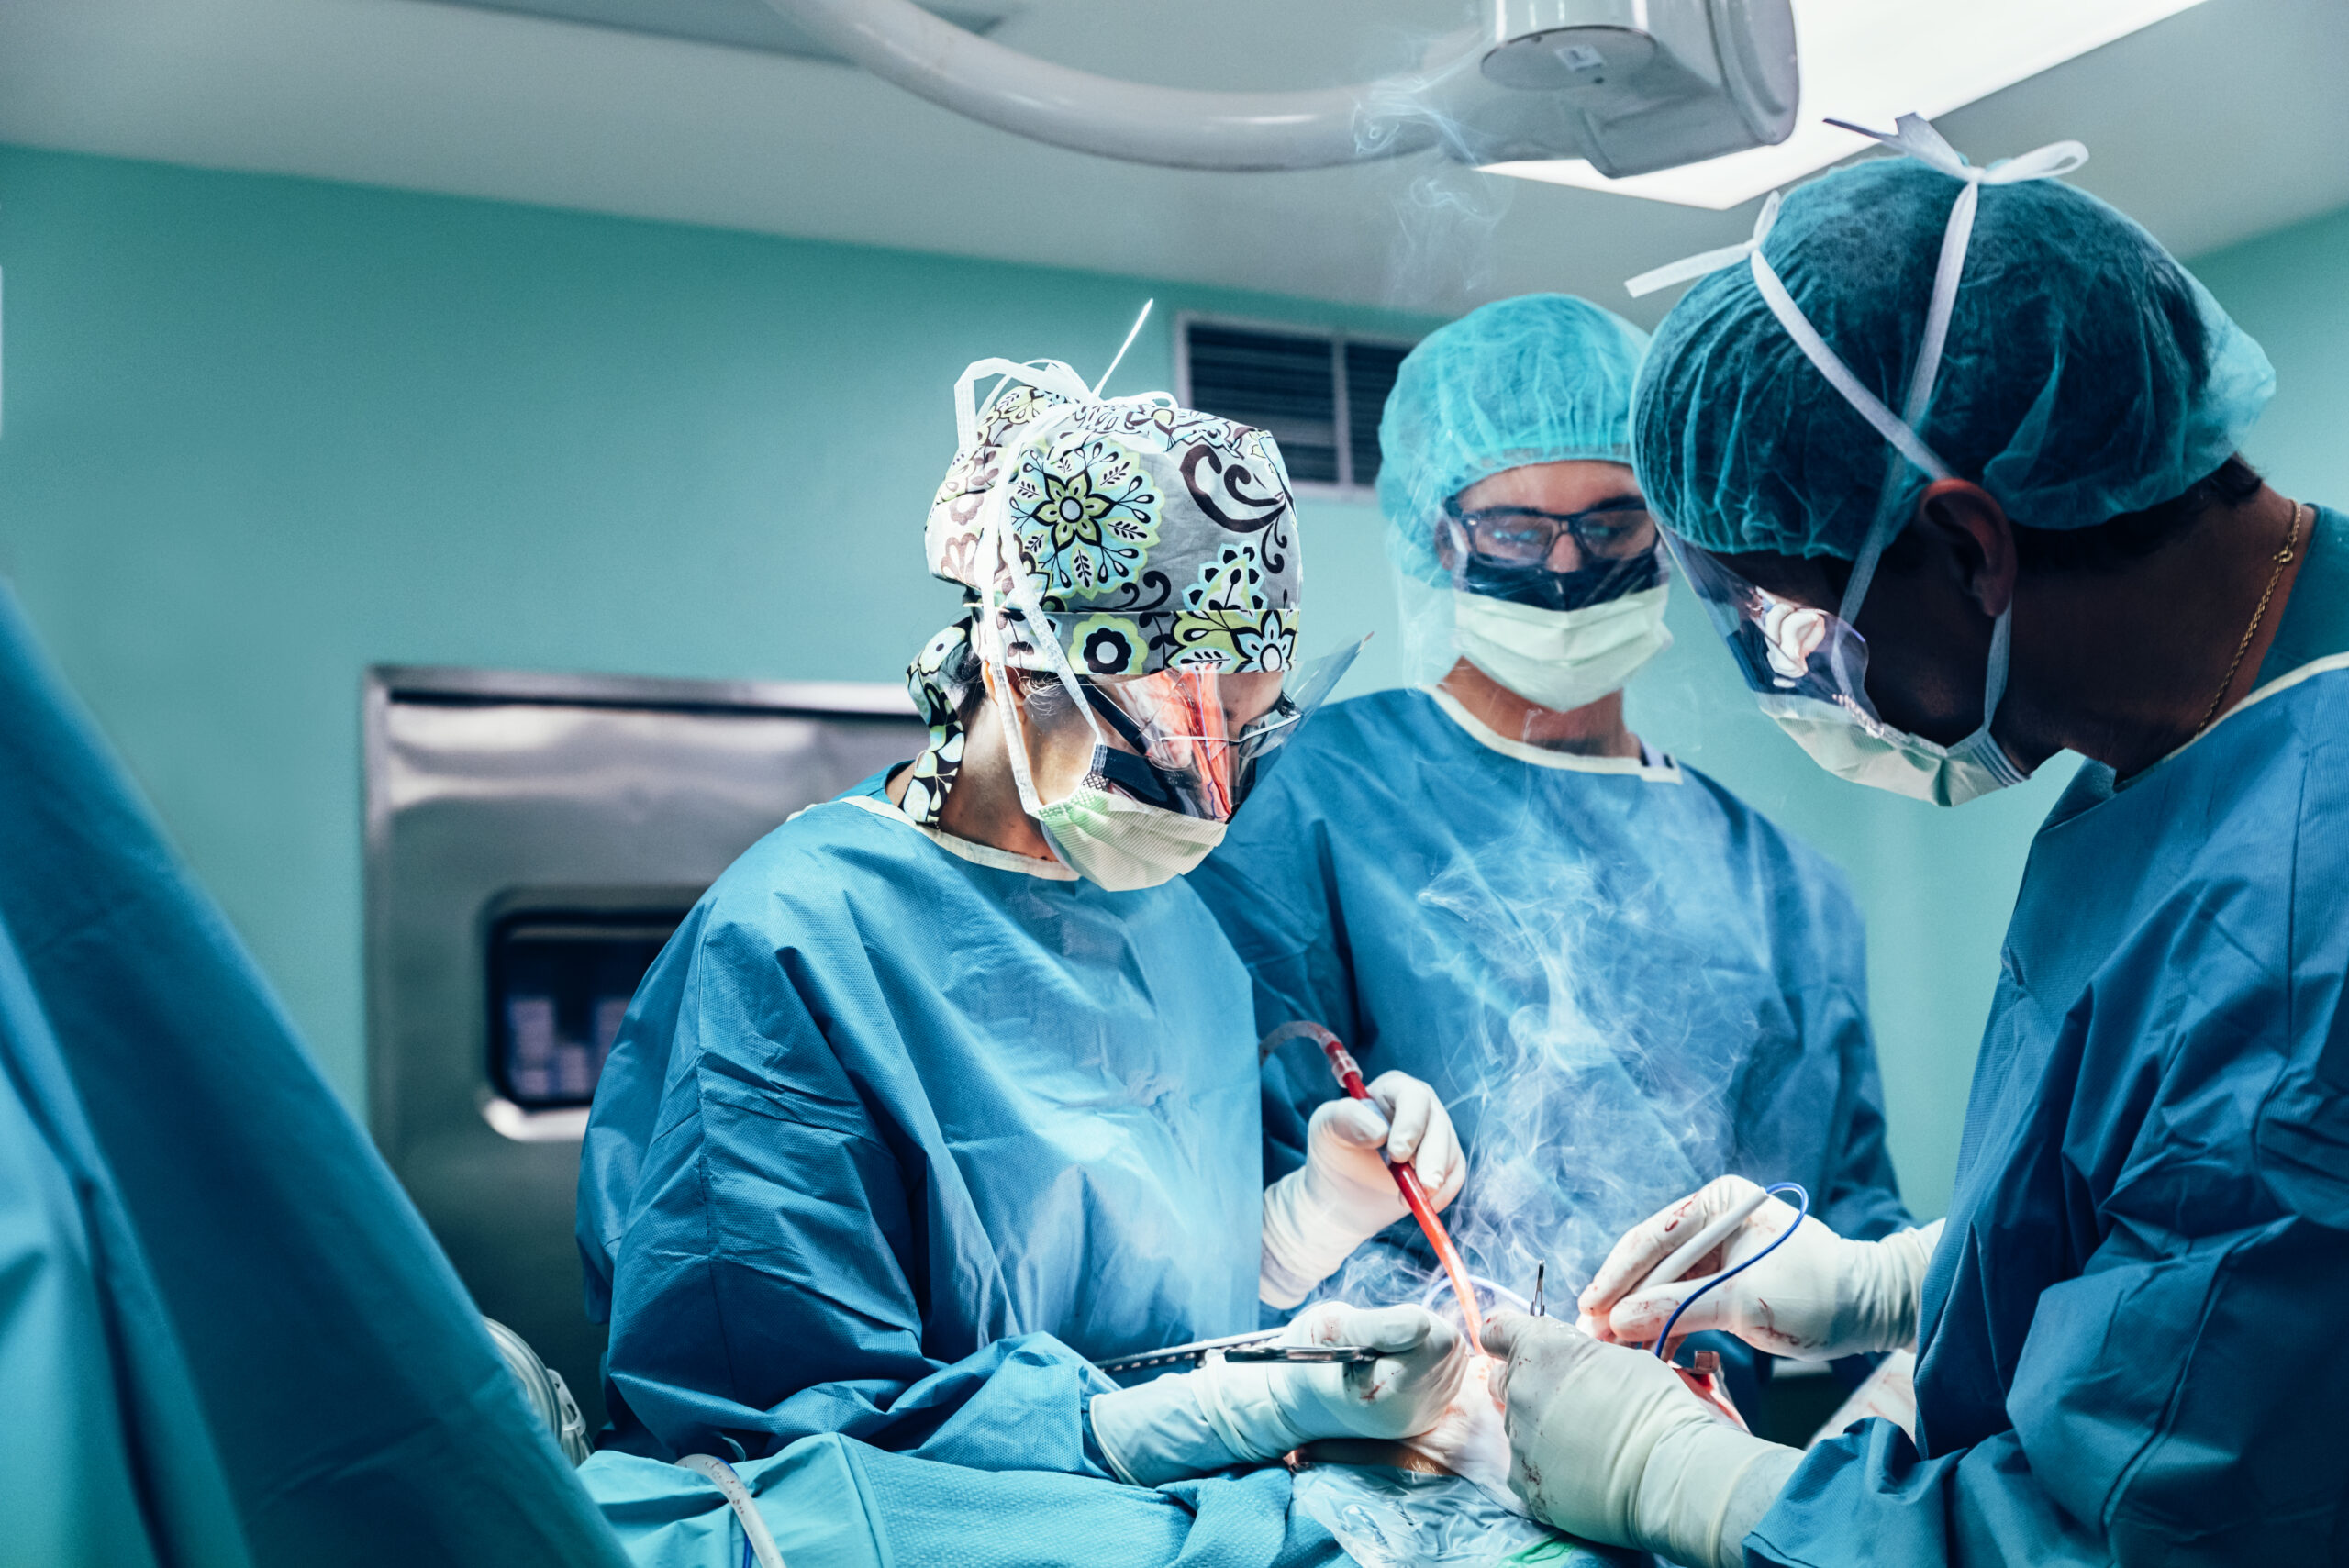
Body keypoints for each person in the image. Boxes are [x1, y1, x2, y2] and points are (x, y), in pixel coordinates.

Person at [1478, 115, 2349, 1565]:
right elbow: (2228, 1267)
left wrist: (1678, 1478)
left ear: (1969, 547)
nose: (1808, 681)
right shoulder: (2190, 722)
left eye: (1802, 623)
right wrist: (1900, 1281)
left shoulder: (2303, 917)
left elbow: (2152, 1531)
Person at [573, 357, 1477, 1559]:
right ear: (1020, 657)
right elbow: (781, 1452)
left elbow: (1147, 1303)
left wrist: (1305, 1222)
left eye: (1248, 734)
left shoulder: (1181, 936)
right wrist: (1166, 1425)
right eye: (1176, 731)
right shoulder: (793, 944)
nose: (1211, 793)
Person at [1186, 295, 1910, 1411]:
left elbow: (1849, 1249)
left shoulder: (1781, 883)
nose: (1568, 568)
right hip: (1411, 1459)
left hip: (1718, 1461)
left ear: (1672, 534)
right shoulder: (1307, 802)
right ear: (1440, 537)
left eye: (1615, 523)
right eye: (1519, 532)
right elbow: (1232, 1217)